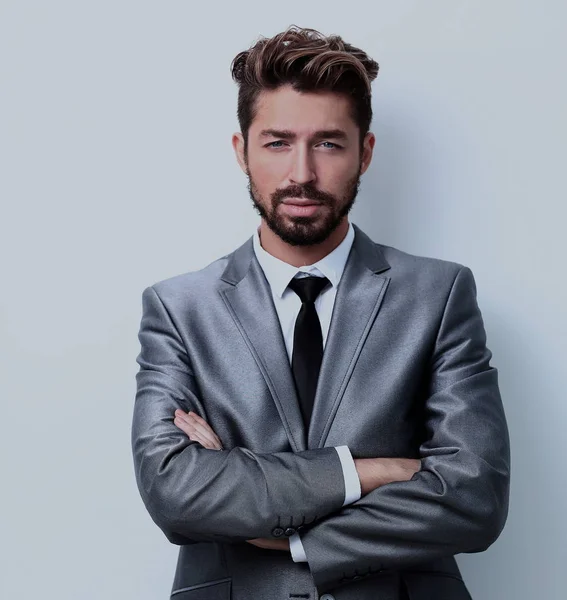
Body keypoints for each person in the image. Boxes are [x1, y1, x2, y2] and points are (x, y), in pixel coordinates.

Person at [131, 25, 510, 600]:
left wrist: (291, 538)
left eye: (329, 143)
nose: (302, 173)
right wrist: (371, 472)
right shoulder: (179, 308)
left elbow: (474, 498)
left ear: (366, 152)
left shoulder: (439, 295)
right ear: (242, 151)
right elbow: (175, 493)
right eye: (277, 142)